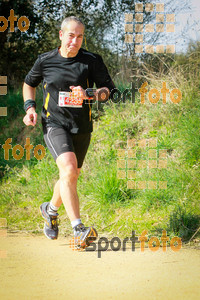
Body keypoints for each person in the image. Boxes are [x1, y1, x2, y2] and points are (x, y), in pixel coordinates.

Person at [22, 16, 115, 249]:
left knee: (71, 176)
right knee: (69, 169)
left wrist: (89, 94)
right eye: (71, 35)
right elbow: (28, 83)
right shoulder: (45, 60)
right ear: (61, 35)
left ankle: (50, 210)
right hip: (54, 123)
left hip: (82, 125)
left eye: (80, 36)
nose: (75, 41)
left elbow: (109, 91)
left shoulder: (91, 61)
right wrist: (30, 108)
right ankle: (78, 228)